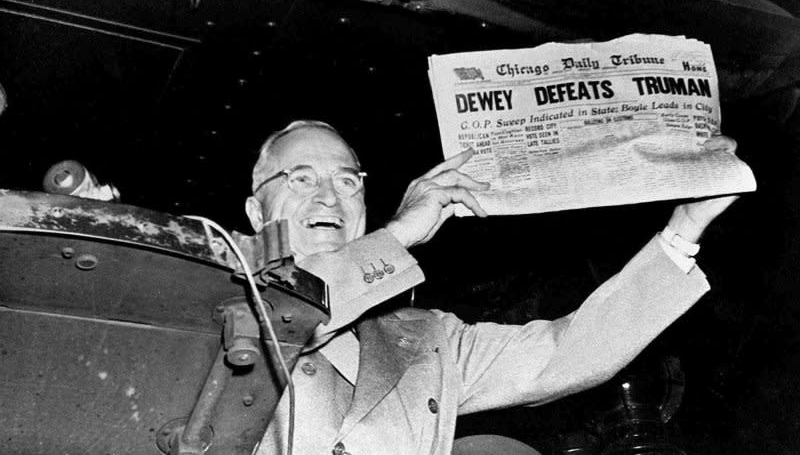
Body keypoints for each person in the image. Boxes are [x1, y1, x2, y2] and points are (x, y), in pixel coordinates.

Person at [246, 120, 739, 455]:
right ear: (255, 213)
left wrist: (684, 229)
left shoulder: (424, 338)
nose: (329, 195)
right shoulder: (208, 282)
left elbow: (564, 353)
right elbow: (285, 316)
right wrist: (397, 236)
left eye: (348, 181)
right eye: (301, 178)